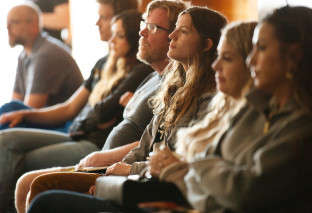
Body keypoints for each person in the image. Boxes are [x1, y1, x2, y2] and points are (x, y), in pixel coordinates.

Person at [25, 6, 228, 212]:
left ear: (206, 45)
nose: (173, 35)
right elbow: (145, 143)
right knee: (42, 184)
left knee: (45, 196)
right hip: (132, 172)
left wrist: (127, 170)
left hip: (154, 185)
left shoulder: (208, 98)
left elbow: (176, 161)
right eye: (174, 28)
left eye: (183, 31)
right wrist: (116, 172)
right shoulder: (173, 87)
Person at [156, 5, 312, 212]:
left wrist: (196, 167)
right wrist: (215, 174)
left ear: (294, 56)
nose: (251, 61)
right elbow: (210, 188)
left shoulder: (307, 127)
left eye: (261, 48)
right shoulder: (253, 109)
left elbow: (240, 194)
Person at [0, 4, 149, 213]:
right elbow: (73, 108)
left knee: (12, 148)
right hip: (77, 129)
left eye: (119, 34)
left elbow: (101, 112)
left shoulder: (140, 70)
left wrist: (91, 117)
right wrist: (25, 113)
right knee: (11, 111)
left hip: (91, 139)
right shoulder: (103, 63)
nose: (99, 26)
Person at [2, 2, 83, 129]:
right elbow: (16, 100)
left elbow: (29, 110)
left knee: (12, 110)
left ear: (33, 26)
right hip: (44, 121)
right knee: (10, 108)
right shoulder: (24, 55)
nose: (7, 27)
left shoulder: (46, 54)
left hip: (65, 125)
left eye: (14, 22)